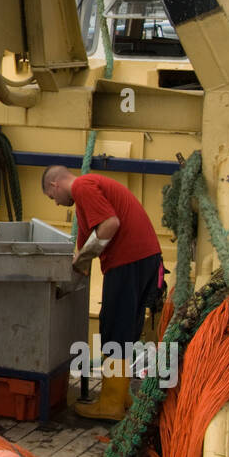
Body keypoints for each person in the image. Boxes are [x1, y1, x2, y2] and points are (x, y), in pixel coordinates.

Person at [42, 166, 164, 421]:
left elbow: (110, 224)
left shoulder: (83, 187)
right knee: (127, 327)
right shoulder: (86, 201)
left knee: (114, 327)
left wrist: (84, 258)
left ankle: (110, 403)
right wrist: (75, 269)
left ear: (55, 185)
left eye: (52, 198)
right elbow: (83, 253)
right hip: (147, 258)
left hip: (127, 261)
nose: (56, 203)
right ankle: (121, 394)